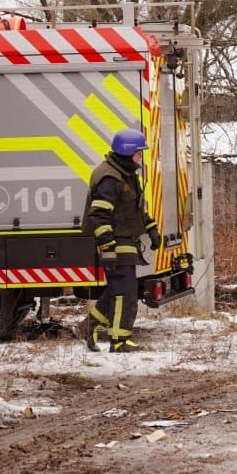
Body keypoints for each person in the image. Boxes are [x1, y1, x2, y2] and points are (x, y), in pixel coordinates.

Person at [81, 128, 161, 352]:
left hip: (125, 241)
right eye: (138, 152)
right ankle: (119, 341)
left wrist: (152, 229)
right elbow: (98, 216)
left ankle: (88, 326)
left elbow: (134, 210)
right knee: (125, 293)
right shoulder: (110, 179)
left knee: (118, 289)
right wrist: (108, 248)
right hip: (116, 243)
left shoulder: (125, 176)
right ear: (128, 152)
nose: (140, 156)